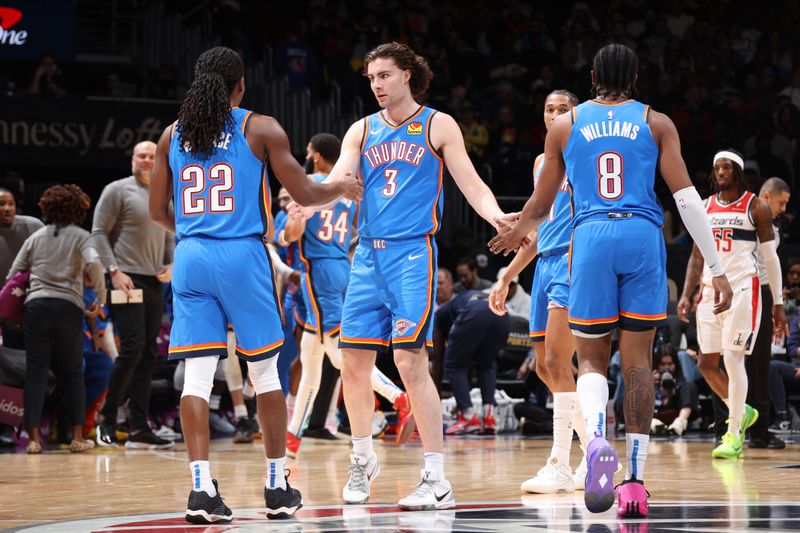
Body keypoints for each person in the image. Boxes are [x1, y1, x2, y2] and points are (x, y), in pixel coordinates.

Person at [489, 44, 733, 517]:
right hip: (642, 233)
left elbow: (541, 206)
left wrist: (516, 233)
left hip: (592, 238)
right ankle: (636, 484)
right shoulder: (656, 121)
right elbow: (686, 200)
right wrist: (716, 268)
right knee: (638, 361)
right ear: (636, 76)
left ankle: (597, 440)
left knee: (593, 358)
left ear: (594, 76)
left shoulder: (566, 125)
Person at [290, 41, 509, 510]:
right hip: (366, 256)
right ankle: (362, 457)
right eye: (371, 79)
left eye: (385, 76)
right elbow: (340, 181)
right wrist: (315, 197)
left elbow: (470, 183)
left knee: (410, 363)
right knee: (353, 362)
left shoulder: (438, 124)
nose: (377, 86)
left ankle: (436, 477)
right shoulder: (361, 130)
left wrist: (495, 217)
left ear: (408, 74)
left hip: (413, 256)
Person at [148, 46, 361, 524]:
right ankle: (276, 484)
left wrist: (196, 230)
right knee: (265, 373)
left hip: (191, 255)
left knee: (198, 378)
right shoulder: (260, 127)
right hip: (242, 255)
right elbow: (305, 193)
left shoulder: (170, 135)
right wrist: (341, 188)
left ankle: (201, 490)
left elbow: (158, 213)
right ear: (240, 85)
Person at [282, 133, 414, 458]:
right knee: (310, 356)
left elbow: (293, 232)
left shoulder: (310, 184)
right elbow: (356, 229)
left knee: (339, 354)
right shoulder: (346, 189)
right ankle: (291, 438)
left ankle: (399, 398)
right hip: (344, 266)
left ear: (314, 156)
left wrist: (288, 232)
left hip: (321, 272)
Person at [489, 89, 590, 495]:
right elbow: (534, 231)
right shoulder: (540, 164)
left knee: (556, 360)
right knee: (545, 368)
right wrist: (508, 275)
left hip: (572, 259)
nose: (555, 115)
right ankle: (596, 449)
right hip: (545, 263)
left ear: (577, 115)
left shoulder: (583, 158)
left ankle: (560, 464)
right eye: (549, 109)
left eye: (563, 109)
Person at [678, 151, 786, 460]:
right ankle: (743, 409)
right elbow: (697, 256)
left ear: (737, 172)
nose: (721, 171)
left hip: (742, 290)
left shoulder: (756, 206)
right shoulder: (705, 207)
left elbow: (771, 258)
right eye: (717, 168)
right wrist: (687, 293)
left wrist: (778, 303)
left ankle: (734, 433)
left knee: (733, 359)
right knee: (706, 364)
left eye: (727, 167)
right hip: (710, 292)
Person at [7, 185, 105, 453]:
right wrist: (100, 297)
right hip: (67, 308)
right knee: (73, 373)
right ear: (79, 209)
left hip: (35, 308)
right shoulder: (82, 237)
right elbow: (95, 264)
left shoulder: (36, 237)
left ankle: (35, 440)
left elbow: (13, 274)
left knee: (36, 374)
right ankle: (76, 437)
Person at [92, 140, 176, 450]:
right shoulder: (117, 190)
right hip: (125, 279)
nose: (145, 160)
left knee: (148, 355)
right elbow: (98, 232)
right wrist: (113, 271)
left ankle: (140, 427)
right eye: (141, 155)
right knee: (132, 348)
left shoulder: (164, 192)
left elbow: (169, 233)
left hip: (154, 281)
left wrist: (171, 263)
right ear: (132, 159)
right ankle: (108, 420)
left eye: (151, 156)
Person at [747, 177, 791, 449]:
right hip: (742, 290)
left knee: (759, 365)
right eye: (781, 202)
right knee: (733, 363)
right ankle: (726, 427)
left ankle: (759, 430)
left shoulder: (772, 227)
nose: (784, 208)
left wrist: (777, 304)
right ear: (766, 195)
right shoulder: (742, 217)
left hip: (762, 293)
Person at [436, 290, 510, 435]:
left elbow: (439, 359)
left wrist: (435, 395)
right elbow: (467, 365)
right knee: (486, 364)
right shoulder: (458, 305)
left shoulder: (438, 316)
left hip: (475, 310)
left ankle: (468, 416)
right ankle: (489, 417)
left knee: (452, 365)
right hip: (502, 313)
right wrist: (462, 398)